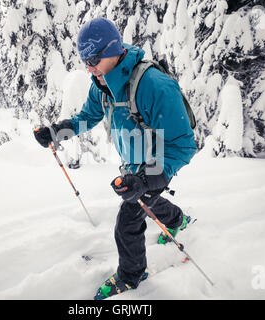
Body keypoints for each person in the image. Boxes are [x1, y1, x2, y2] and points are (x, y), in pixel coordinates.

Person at [34, 17, 196, 299]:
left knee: (128, 221)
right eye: (85, 60)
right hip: (133, 164)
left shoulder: (154, 85)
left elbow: (183, 145)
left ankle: (131, 276)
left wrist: (150, 178)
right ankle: (178, 220)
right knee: (147, 202)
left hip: (158, 162)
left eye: (94, 58)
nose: (89, 67)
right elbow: (87, 117)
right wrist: (56, 131)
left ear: (113, 50)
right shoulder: (102, 85)